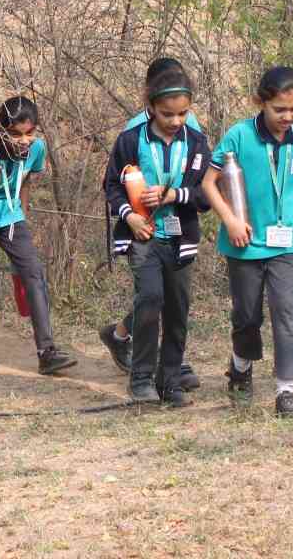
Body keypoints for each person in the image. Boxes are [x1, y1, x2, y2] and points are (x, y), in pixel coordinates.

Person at [204, 67, 293, 417]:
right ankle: (240, 366)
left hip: (286, 242)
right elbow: (209, 183)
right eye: (280, 109)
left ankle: (286, 391)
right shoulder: (239, 135)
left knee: (286, 310)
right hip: (245, 241)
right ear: (260, 102)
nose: (287, 117)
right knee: (247, 316)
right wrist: (231, 220)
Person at [102, 67, 211, 406]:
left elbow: (205, 195)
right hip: (143, 238)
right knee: (149, 300)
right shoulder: (131, 140)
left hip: (180, 239)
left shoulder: (196, 143)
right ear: (149, 106)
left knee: (178, 309)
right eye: (167, 114)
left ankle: (170, 379)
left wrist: (173, 195)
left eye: (183, 113)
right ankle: (141, 379)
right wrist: (130, 217)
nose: (176, 121)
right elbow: (112, 186)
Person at [0, 95, 76, 376]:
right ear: (0, 129)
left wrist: (22, 211)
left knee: (34, 273)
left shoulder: (36, 148)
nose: (24, 141)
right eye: (16, 134)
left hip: (11, 215)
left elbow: (27, 178)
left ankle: (47, 353)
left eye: (29, 133)